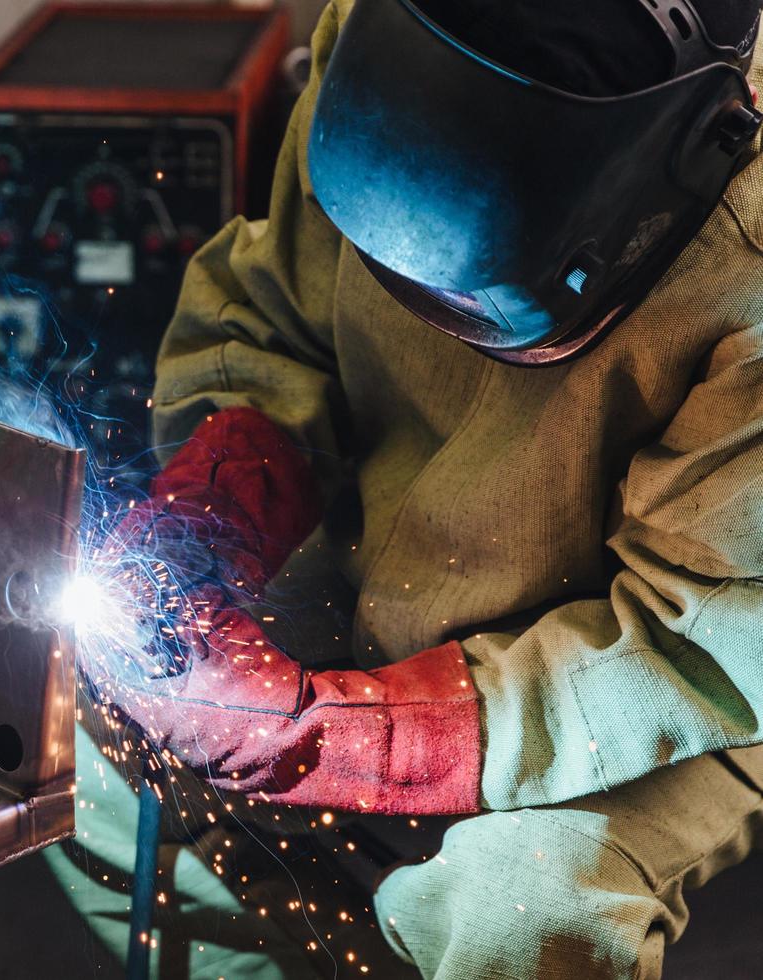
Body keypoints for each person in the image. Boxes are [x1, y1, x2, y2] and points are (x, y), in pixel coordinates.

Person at [51, 0, 763, 976]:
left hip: (670, 665)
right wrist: (205, 522)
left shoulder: (748, 257)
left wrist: (348, 738)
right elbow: (275, 318)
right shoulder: (387, 49)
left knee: (519, 898)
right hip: (380, 548)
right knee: (96, 734)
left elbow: (694, 635)